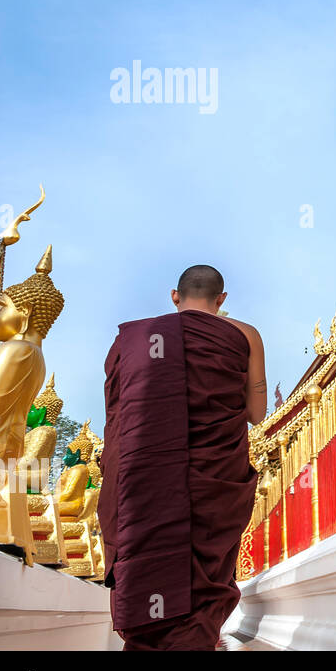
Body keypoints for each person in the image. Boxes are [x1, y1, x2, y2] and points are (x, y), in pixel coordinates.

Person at [98, 264, 266, 650]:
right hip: (214, 479)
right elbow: (256, 414)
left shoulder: (137, 340)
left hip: (145, 480)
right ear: (221, 299)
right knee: (203, 575)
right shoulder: (244, 334)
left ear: (175, 296)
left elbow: (119, 418)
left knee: (149, 559)